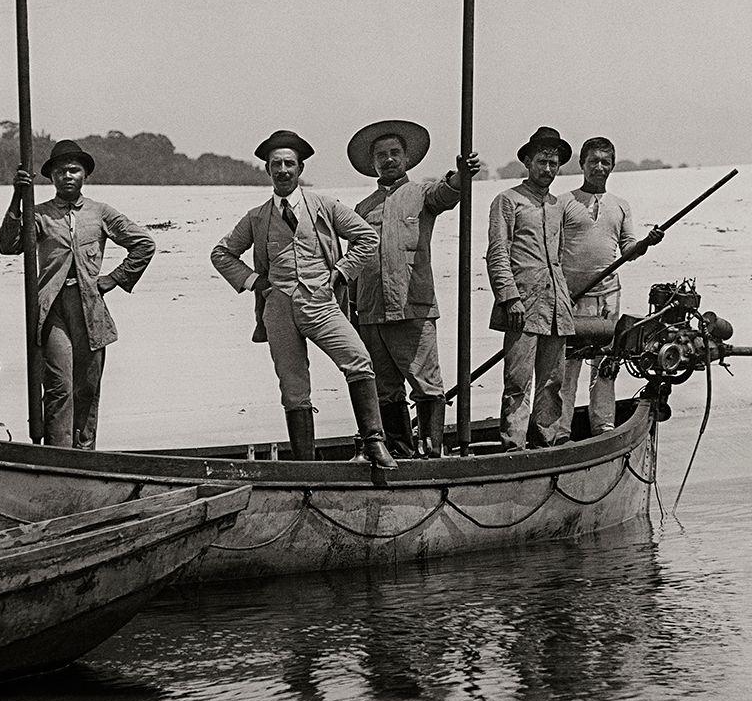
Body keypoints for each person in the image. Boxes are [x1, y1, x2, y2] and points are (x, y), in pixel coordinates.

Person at [210, 129, 389, 472]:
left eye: (289, 163)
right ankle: (304, 467)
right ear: (267, 170)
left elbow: (367, 237)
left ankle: (375, 442)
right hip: (277, 308)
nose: (282, 170)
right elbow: (221, 253)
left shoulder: (324, 206)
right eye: (275, 164)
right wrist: (254, 281)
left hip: (320, 302)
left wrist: (341, 272)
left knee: (358, 358)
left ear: (300, 168)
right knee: (293, 388)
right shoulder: (257, 217)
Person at [0, 139, 155, 449]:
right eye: (60, 172)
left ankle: (84, 453)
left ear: (85, 175)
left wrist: (114, 278)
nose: (67, 176)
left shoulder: (100, 212)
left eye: (73, 170)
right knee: (59, 387)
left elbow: (144, 244)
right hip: (53, 309)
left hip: (90, 310)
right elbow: (8, 245)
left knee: (87, 387)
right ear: (51, 177)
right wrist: (18, 196)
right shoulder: (39, 214)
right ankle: (59, 453)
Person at [344, 118, 483, 458]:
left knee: (426, 384)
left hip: (414, 308)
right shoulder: (362, 209)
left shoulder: (422, 194)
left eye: (395, 153)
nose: (388, 160)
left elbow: (448, 192)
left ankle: (432, 452)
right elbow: (354, 263)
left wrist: (461, 174)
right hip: (372, 314)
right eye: (382, 155)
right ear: (373, 163)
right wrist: (352, 312)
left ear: (406, 158)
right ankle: (401, 451)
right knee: (385, 389)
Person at [558, 134, 660, 440]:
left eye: (606, 162)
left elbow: (628, 249)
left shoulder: (620, 206)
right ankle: (560, 431)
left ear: (613, 166)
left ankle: (603, 427)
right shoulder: (564, 203)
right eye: (593, 162)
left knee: (606, 365)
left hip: (608, 297)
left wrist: (644, 244)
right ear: (582, 164)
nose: (599, 167)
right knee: (567, 367)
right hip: (571, 297)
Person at [485, 126, 576, 448]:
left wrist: (565, 299)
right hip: (522, 305)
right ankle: (514, 445)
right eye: (542, 162)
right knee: (517, 382)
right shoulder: (507, 200)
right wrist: (510, 298)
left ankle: (546, 442)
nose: (548, 169)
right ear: (527, 161)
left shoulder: (557, 205)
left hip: (556, 307)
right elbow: (497, 252)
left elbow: (561, 256)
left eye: (554, 164)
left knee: (553, 381)